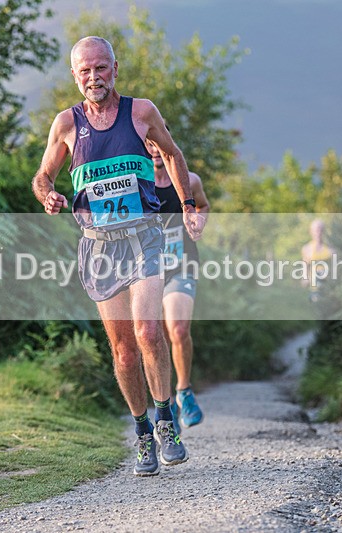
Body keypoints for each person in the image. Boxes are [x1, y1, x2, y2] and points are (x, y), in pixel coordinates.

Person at [31, 36, 203, 477]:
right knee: (124, 351)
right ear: (75, 76)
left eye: (101, 68)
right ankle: (142, 431)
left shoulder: (141, 112)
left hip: (144, 238)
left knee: (149, 331)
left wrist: (187, 204)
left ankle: (166, 420)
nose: (94, 77)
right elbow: (43, 176)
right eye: (85, 70)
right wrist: (48, 195)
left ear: (115, 68)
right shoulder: (66, 124)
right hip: (100, 247)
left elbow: (172, 153)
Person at [146, 138, 209, 432]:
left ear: (166, 144)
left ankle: (184, 390)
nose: (154, 150)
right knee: (154, 336)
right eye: (148, 145)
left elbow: (203, 205)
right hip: (147, 269)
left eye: (158, 143)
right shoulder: (137, 182)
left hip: (182, 264)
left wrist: (199, 220)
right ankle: (166, 401)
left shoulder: (189, 181)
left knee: (178, 329)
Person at [301, 218, 335, 303]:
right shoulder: (307, 249)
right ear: (311, 232)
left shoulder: (330, 248)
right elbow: (305, 268)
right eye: (316, 230)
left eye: (320, 229)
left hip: (329, 286)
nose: (318, 232)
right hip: (314, 287)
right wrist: (305, 279)